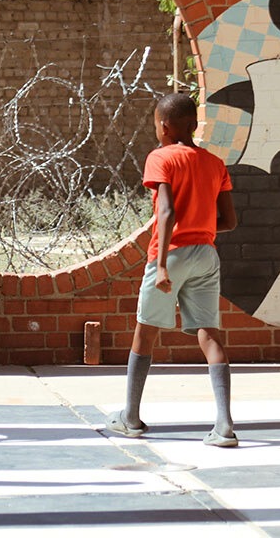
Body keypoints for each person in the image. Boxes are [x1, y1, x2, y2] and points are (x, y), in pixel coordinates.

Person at [105, 93, 239, 447]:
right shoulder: (214, 163)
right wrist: (201, 227)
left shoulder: (160, 158)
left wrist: (162, 264)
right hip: (206, 254)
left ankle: (130, 418)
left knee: (145, 333)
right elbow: (230, 220)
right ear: (194, 125)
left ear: (163, 127)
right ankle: (224, 425)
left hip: (172, 254)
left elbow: (165, 212)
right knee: (209, 334)